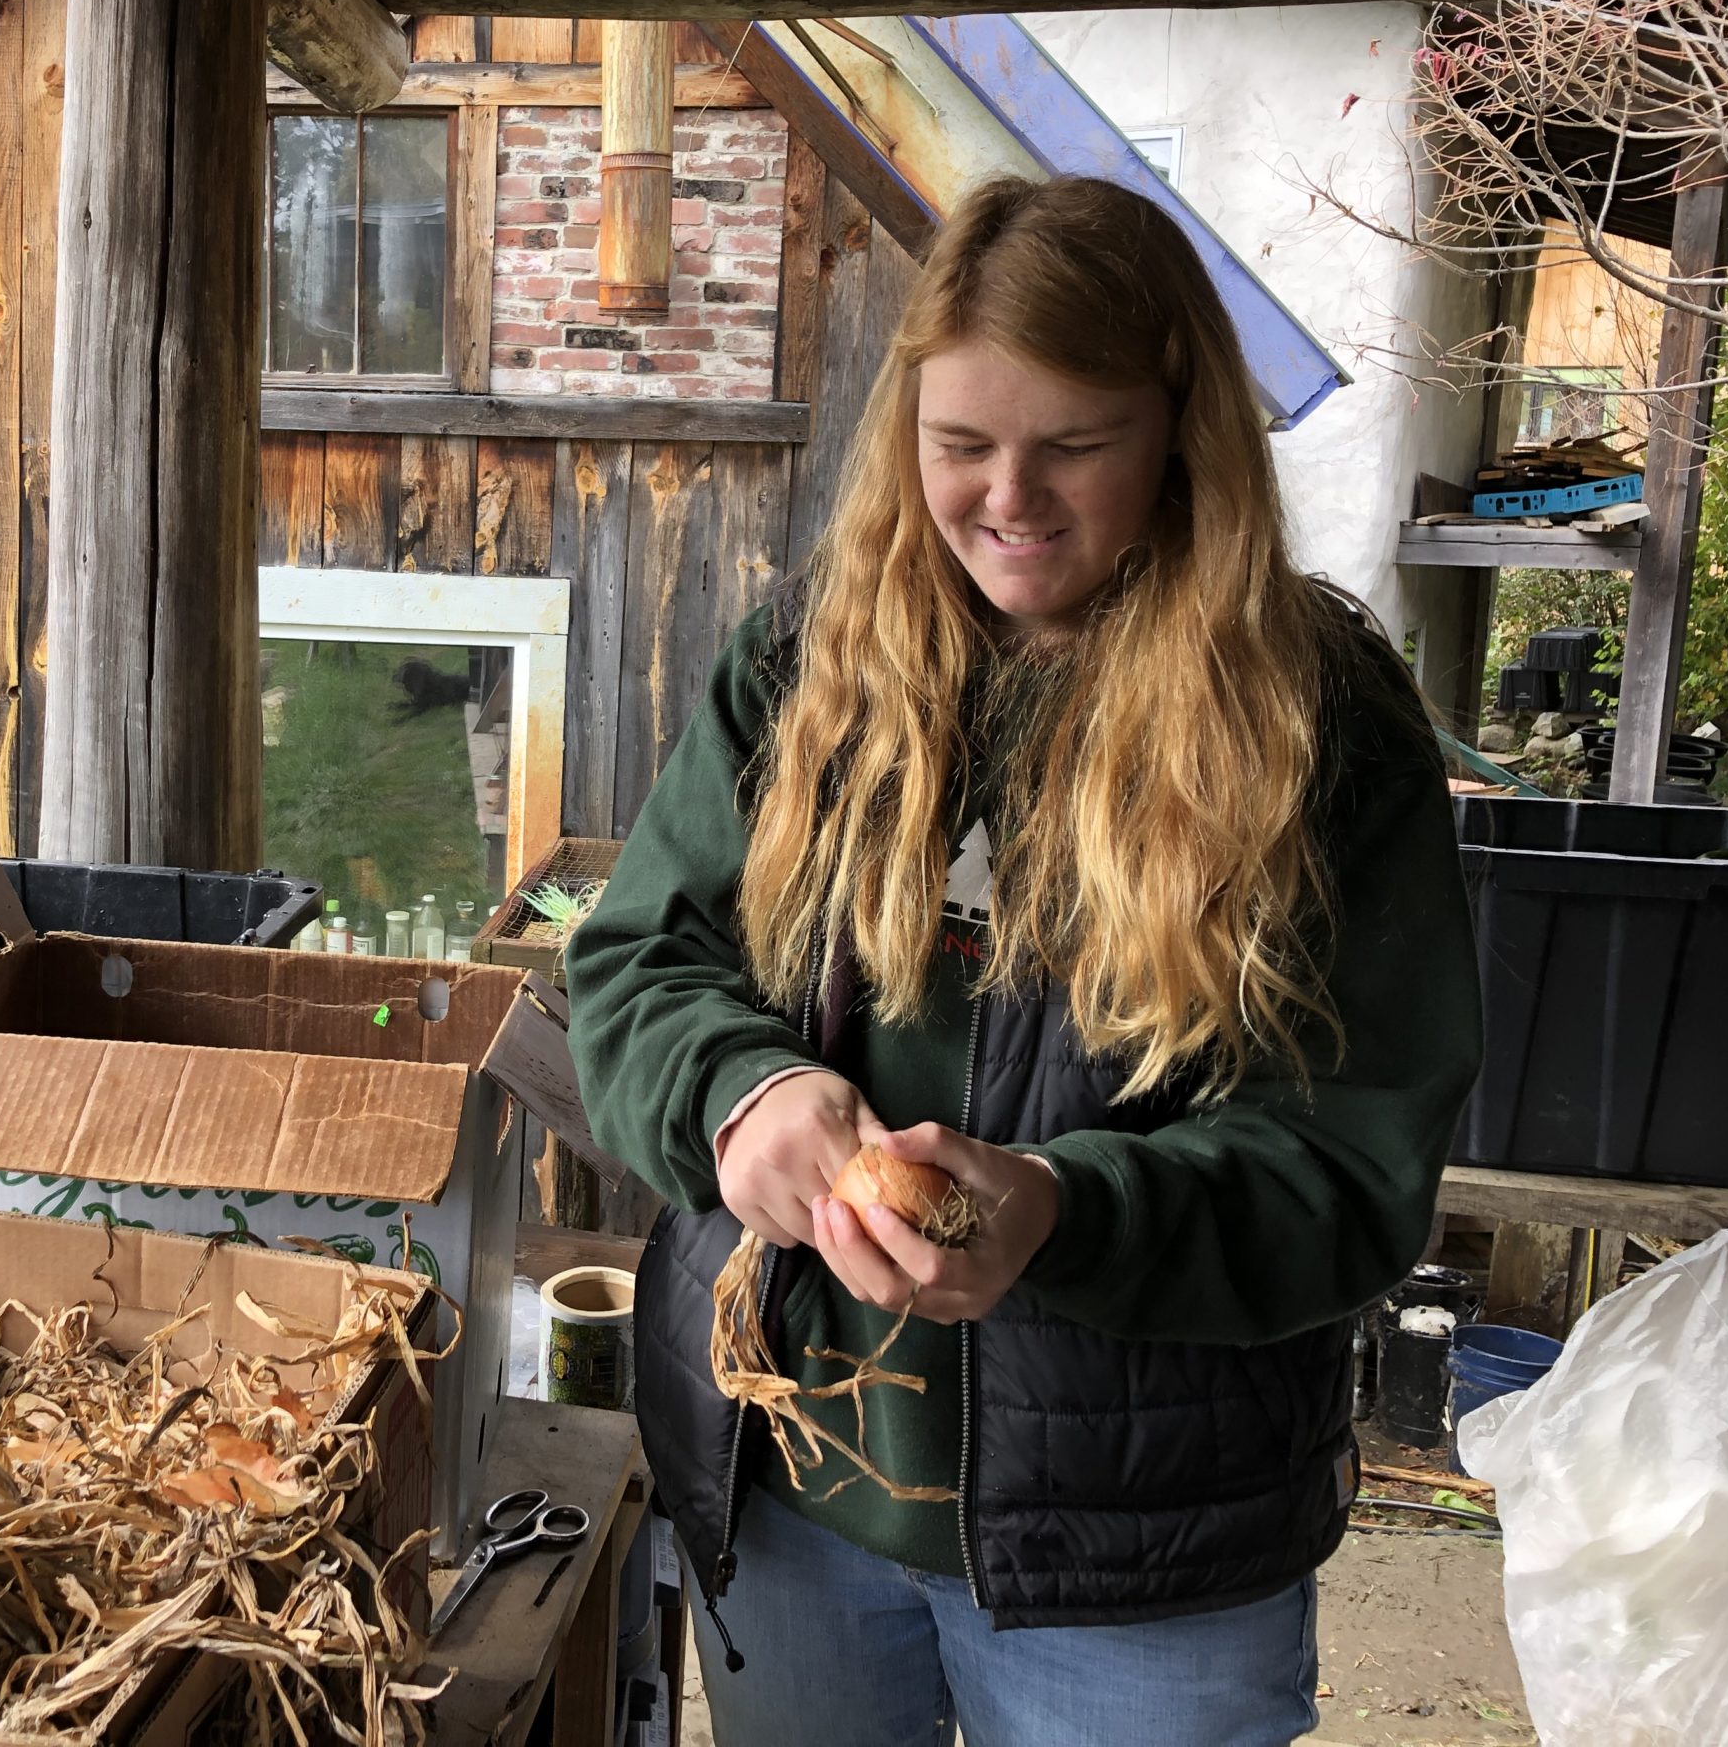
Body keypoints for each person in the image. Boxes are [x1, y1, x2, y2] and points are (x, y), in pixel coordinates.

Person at [567, 174, 1482, 1746]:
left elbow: (1352, 1162)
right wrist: (742, 1091)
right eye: (960, 446)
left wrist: (1067, 1210)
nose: (1011, 499)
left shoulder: (1314, 719)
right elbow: (643, 958)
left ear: (1180, 433)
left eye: (1075, 445)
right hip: (790, 1493)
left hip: (1144, 1555)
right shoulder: (810, 669)